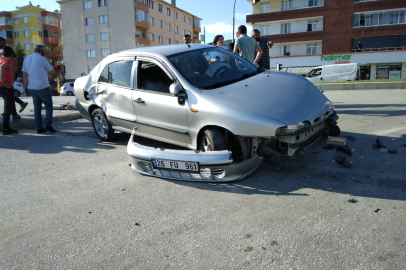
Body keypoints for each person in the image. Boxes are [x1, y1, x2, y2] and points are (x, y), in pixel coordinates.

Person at [22, 45, 56, 134]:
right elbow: (52, 71)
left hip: (31, 87)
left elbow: (24, 73)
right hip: (43, 86)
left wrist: (25, 86)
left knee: (37, 107)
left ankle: (39, 127)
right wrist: (48, 60)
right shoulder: (42, 59)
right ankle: (48, 125)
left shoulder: (26, 59)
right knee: (48, 106)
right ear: (42, 51)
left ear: (34, 50)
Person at [0, 37, 28, 119]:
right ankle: (16, 109)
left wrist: (12, 74)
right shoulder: (2, 50)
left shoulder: (8, 50)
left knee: (8, 95)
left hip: (8, 76)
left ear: (2, 42)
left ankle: (13, 113)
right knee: (7, 95)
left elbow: (14, 62)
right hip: (3, 76)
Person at [0, 46, 18, 135]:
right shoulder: (8, 61)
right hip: (7, 87)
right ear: (11, 54)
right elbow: (3, 67)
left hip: (1, 87)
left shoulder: (0, 59)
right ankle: (6, 128)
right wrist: (3, 80)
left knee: (7, 108)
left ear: (2, 54)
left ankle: (6, 128)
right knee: (7, 109)